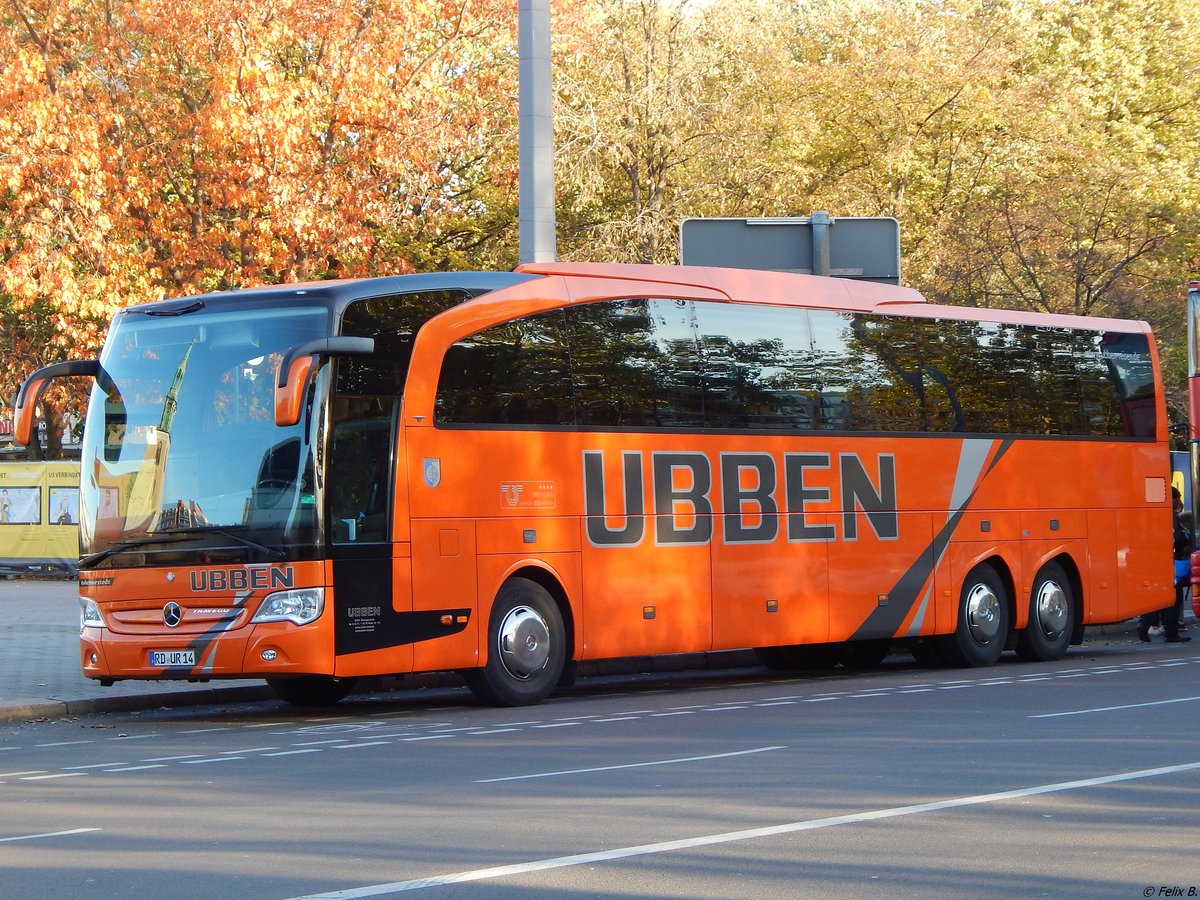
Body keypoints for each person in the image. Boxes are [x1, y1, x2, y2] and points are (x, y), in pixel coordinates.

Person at [1139, 487, 1192, 643]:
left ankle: (1145, 623)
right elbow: (1178, 537)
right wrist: (1187, 537)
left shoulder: (1153, 514)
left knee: (1160, 596)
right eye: (1177, 498)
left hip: (1157, 560)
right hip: (1171, 562)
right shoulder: (1170, 515)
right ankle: (1170, 633)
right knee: (1174, 598)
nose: (1179, 501)